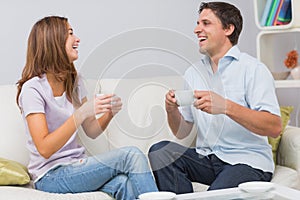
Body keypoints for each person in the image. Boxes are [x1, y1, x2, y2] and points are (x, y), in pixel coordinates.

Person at [16, 16, 158, 200]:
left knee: (124, 183)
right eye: (70, 34)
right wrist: (81, 113)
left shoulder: (75, 81)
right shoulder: (33, 89)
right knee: (131, 155)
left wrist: (109, 113)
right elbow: (44, 148)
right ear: (54, 42)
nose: (77, 39)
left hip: (76, 167)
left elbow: (91, 130)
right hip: (50, 176)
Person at [148, 2, 282, 194]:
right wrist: (171, 110)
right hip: (208, 158)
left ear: (228, 29)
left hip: (247, 161)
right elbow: (183, 131)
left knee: (213, 196)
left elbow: (274, 127)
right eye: (197, 23)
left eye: (206, 23)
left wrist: (226, 106)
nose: (196, 30)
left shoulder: (253, 69)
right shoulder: (193, 73)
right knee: (160, 151)